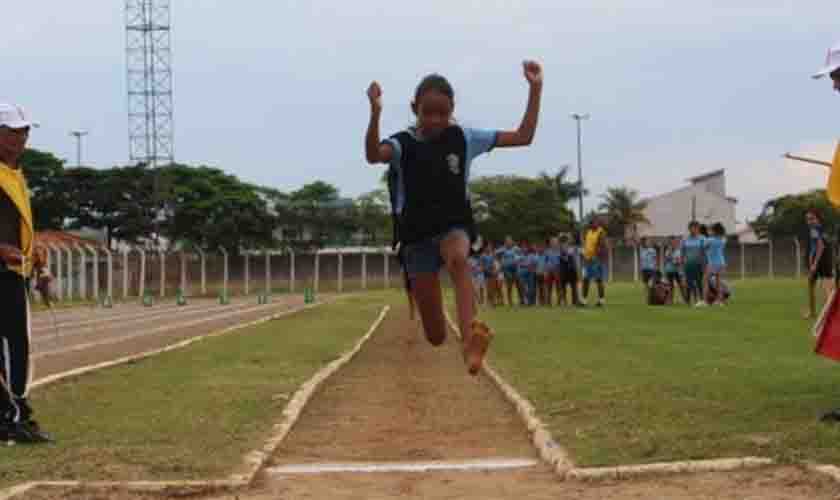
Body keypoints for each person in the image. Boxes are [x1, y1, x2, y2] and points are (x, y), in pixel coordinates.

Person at [365, 61, 543, 374]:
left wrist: (535, 88)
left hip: (453, 227)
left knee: (460, 259)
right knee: (435, 335)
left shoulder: (463, 138)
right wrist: (375, 113)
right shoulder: (402, 144)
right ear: (414, 109)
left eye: (442, 113)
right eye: (427, 112)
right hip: (416, 237)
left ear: (452, 110)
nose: (435, 120)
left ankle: (470, 343)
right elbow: (372, 155)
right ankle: (455, 338)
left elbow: (523, 136)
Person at [0, 103, 52, 444]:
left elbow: (23, 229)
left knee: (16, 346)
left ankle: (13, 414)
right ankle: (13, 416)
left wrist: (40, 264)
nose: (23, 137)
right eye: (16, 131)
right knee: (11, 346)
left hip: (16, 273)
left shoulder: (15, 176)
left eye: (26, 130)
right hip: (2, 272)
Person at [805, 209, 834, 319]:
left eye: (811, 218)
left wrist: (814, 263)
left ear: (816, 218)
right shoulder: (821, 228)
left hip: (821, 261)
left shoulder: (815, 229)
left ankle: (827, 315)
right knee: (813, 285)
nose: (809, 221)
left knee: (826, 288)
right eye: (807, 219)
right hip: (826, 260)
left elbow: (821, 247)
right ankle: (814, 312)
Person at [581, 217, 608, 307]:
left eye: (594, 223)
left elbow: (601, 246)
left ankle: (601, 300)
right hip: (587, 259)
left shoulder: (601, 232)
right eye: (591, 223)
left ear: (597, 223)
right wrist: (585, 255)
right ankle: (584, 300)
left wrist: (596, 256)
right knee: (585, 279)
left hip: (596, 259)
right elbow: (586, 244)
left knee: (598, 279)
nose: (592, 225)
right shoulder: (589, 232)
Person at [701, 223, 727, 306]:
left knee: (704, 280)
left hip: (712, 263)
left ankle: (705, 301)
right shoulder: (723, 240)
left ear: (714, 231)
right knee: (718, 282)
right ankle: (719, 301)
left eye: (710, 230)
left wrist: (705, 239)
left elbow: (704, 247)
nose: (709, 231)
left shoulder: (709, 240)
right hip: (721, 263)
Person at [681, 221, 706, 306]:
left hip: (699, 264)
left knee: (699, 283)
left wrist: (704, 265)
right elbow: (682, 253)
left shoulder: (702, 239)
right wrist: (682, 265)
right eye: (692, 228)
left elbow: (704, 252)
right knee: (689, 283)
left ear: (698, 229)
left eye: (695, 228)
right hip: (688, 264)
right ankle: (690, 300)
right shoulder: (685, 239)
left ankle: (701, 300)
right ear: (689, 229)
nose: (693, 230)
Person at [497, 236, 522, 307]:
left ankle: (521, 300)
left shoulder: (516, 248)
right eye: (507, 241)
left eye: (510, 241)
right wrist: (501, 262)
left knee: (518, 283)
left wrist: (519, 259)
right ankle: (510, 301)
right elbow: (496, 254)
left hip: (515, 268)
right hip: (507, 269)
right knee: (509, 284)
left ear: (512, 242)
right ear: (505, 242)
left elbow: (521, 255)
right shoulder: (502, 249)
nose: (509, 243)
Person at [663, 236, 688, 304]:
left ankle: (685, 300)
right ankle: (670, 300)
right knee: (670, 286)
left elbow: (681, 260)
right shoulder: (668, 250)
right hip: (669, 270)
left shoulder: (679, 251)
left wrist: (678, 261)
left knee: (681, 286)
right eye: (671, 242)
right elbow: (666, 260)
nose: (672, 243)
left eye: (674, 241)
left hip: (678, 271)